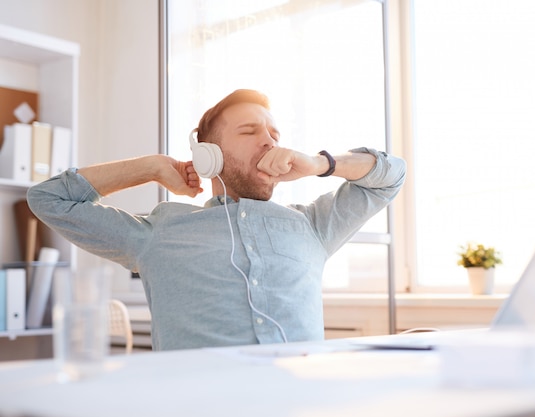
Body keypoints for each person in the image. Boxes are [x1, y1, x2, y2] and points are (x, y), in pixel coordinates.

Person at [27, 89, 406, 351]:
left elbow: (391, 176)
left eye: (275, 134)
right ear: (209, 155)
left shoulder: (313, 225)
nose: (270, 142)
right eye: (249, 131)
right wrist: (150, 167)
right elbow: (48, 198)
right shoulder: (160, 232)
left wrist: (321, 164)